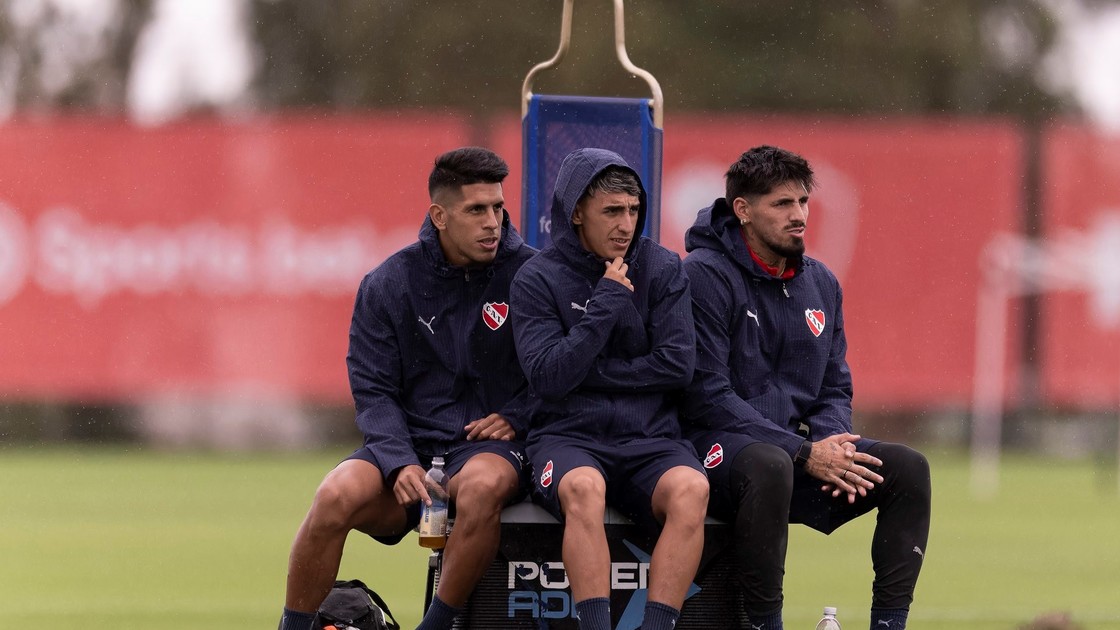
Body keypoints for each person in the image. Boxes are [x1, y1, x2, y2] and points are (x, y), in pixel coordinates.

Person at [278, 147, 536, 630]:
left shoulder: (534, 276)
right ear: (439, 216)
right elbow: (373, 389)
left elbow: (561, 370)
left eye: (498, 207)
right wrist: (398, 460)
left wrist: (519, 415)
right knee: (334, 494)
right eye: (476, 210)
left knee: (482, 487)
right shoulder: (388, 283)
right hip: (408, 448)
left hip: (487, 449)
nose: (493, 223)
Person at [681, 145, 931, 630]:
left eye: (802, 202)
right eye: (782, 204)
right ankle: (765, 624)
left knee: (907, 468)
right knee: (769, 464)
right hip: (714, 452)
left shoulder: (822, 283)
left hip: (795, 455)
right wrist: (802, 452)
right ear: (742, 210)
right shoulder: (702, 276)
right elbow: (707, 394)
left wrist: (832, 443)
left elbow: (833, 386)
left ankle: (889, 625)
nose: (798, 215)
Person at [510, 148, 710, 630]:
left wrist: (589, 372)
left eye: (633, 210)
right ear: (577, 212)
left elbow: (678, 366)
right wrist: (605, 303)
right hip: (568, 437)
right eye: (612, 211)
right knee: (584, 487)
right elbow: (548, 377)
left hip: (651, 440)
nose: (626, 224)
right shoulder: (536, 278)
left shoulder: (662, 267)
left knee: (693, 489)